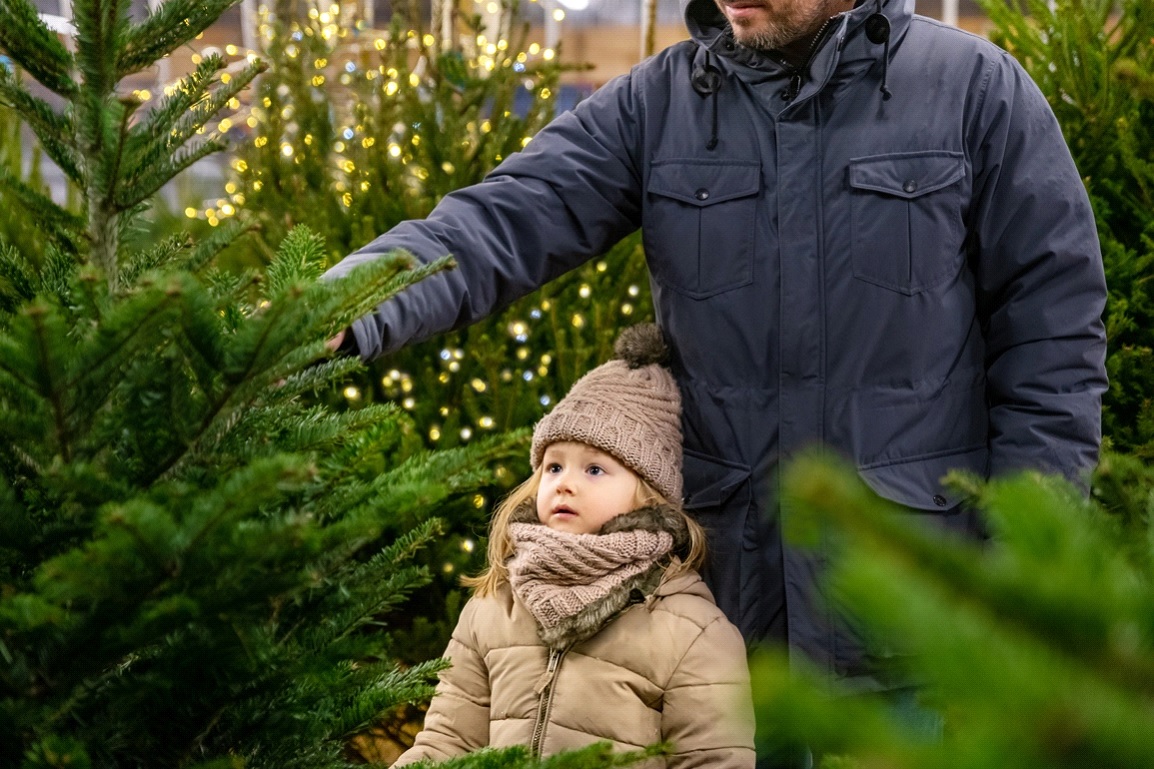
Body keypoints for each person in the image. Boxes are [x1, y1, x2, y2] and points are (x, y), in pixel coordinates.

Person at [327, 0, 1107, 696]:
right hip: (723, 630)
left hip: (917, 626)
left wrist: (1026, 563)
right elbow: (498, 222)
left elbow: (1054, 337)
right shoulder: (657, 104)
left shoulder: (974, 89)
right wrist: (338, 308)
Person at [392, 324, 755, 768]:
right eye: (554, 466)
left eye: (595, 469)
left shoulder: (691, 629)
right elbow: (446, 743)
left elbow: (714, 760)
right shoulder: (493, 607)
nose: (565, 484)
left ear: (648, 492)